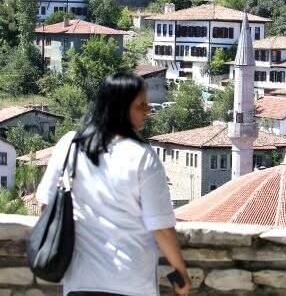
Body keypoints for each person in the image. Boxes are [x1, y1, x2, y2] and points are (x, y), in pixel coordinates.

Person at [36, 72, 192, 296]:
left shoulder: (69, 145)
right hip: (131, 283)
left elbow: (46, 205)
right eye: (141, 105)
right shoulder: (142, 156)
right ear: (120, 108)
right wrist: (181, 272)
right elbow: (161, 227)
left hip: (80, 280)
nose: (148, 111)